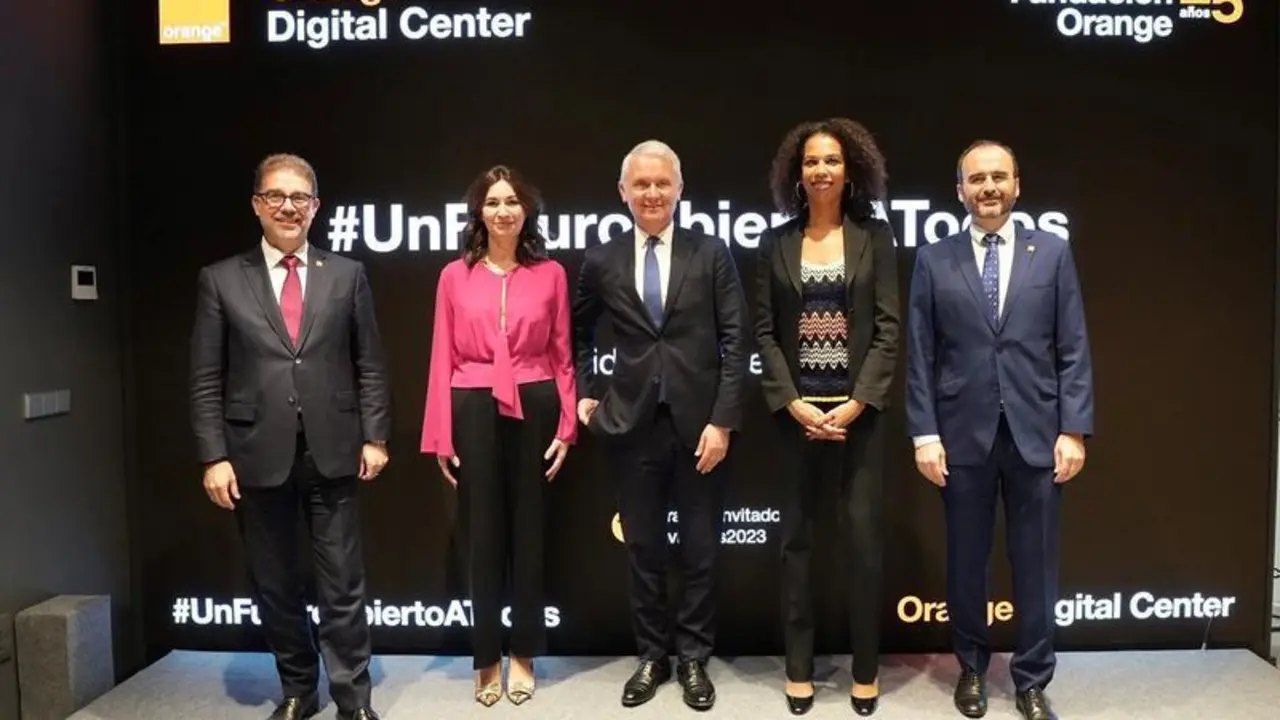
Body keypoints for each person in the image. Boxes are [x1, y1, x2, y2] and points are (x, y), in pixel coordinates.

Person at [189, 153, 389, 720]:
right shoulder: (221, 279)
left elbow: (370, 363)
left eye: (300, 197)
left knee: (343, 585)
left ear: (316, 207)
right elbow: (205, 377)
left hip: (335, 449)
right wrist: (213, 456)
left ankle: (353, 700)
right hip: (255, 454)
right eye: (276, 196)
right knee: (275, 584)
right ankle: (299, 689)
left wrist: (376, 436)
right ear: (257, 204)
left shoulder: (347, 274)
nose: (288, 207)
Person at [905, 140, 1093, 720]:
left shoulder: (1052, 253)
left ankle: (1032, 679)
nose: (988, 187)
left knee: (1036, 564)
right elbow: (920, 354)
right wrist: (924, 433)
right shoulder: (933, 259)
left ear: (1016, 185)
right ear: (960, 190)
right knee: (967, 561)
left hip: (1038, 434)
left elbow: (1073, 347)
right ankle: (971, 669)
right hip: (962, 435)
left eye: (998, 177)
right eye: (977, 179)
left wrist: (1074, 429)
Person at [573, 140, 748, 711]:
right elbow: (575, 334)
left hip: (701, 429)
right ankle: (652, 656)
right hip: (631, 427)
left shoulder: (711, 252)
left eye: (662, 183)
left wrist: (723, 421)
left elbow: (736, 340)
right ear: (623, 192)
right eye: (641, 184)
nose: (652, 193)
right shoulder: (602, 259)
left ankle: (694, 658)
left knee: (700, 550)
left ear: (679, 189)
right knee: (643, 549)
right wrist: (586, 396)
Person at [754, 118, 900, 717]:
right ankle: (799, 669)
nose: (821, 170)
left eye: (831, 160)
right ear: (797, 172)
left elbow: (888, 330)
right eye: (811, 161)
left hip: (858, 417)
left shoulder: (875, 237)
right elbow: (764, 333)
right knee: (797, 545)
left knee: (862, 544)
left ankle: (865, 671)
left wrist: (856, 401)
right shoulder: (775, 242)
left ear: (850, 169)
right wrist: (793, 402)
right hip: (796, 420)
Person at [420, 165, 576, 707]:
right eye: (493, 202)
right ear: (479, 213)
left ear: (526, 211)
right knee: (481, 538)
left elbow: (563, 355)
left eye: (512, 201)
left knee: (530, 533)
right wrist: (441, 435)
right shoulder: (452, 276)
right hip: (472, 403)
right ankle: (486, 657)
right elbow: (441, 356)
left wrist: (567, 425)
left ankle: (525, 654)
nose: (503, 210)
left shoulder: (551, 273)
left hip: (536, 402)